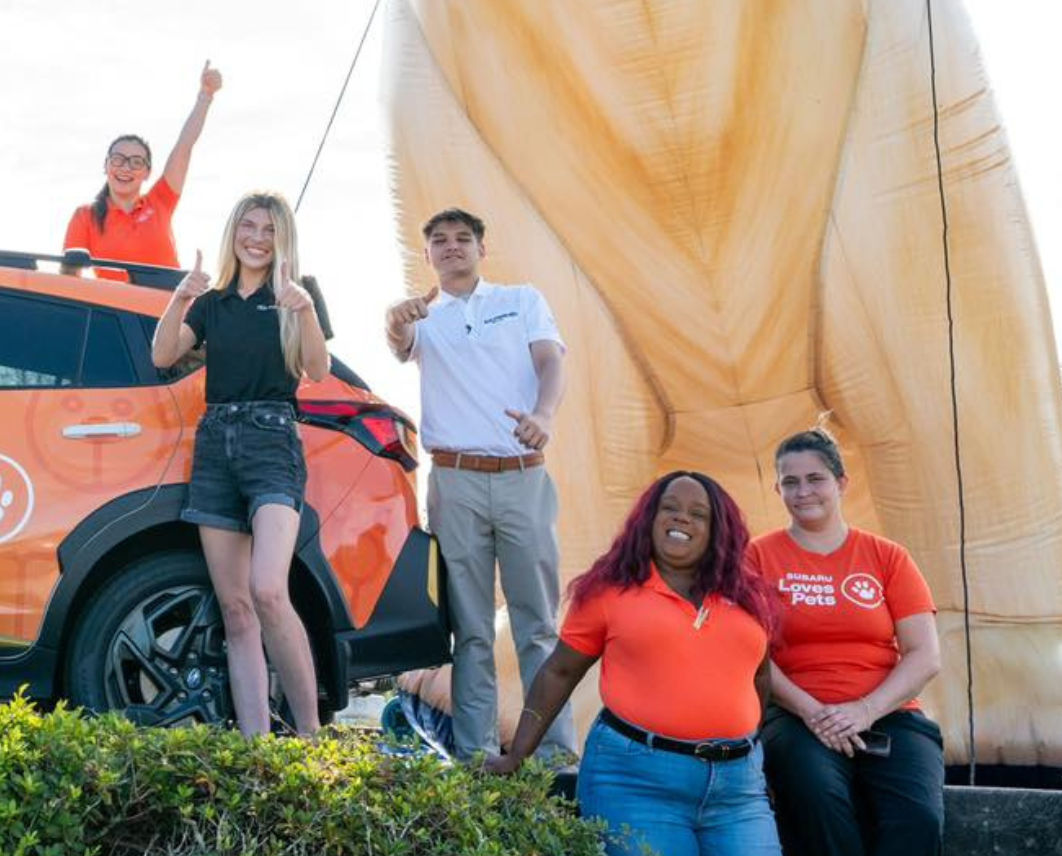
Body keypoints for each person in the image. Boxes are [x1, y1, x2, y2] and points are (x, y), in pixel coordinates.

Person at [487, 471, 782, 856]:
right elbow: (559, 672)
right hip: (635, 782)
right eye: (669, 508)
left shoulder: (748, 597)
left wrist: (750, 749)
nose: (681, 518)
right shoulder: (610, 591)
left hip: (737, 788)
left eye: (698, 514)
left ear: (718, 530)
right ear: (648, 519)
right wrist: (517, 755)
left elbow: (758, 677)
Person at [384, 207, 573, 762]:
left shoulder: (520, 301)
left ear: (481, 249)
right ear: (427, 255)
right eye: (438, 240)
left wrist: (545, 414)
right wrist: (396, 320)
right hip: (455, 480)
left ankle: (553, 756)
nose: (451, 247)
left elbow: (550, 362)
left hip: (521, 475)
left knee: (537, 623)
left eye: (463, 238)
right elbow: (398, 340)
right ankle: (475, 757)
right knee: (469, 629)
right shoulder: (422, 317)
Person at [149, 190, 332, 736]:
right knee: (235, 607)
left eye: (269, 229)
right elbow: (162, 355)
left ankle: (310, 736)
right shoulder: (213, 301)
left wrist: (303, 311)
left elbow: (317, 370)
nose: (256, 238)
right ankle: (256, 746)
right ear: (234, 232)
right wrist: (180, 296)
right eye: (248, 227)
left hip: (272, 441)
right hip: (214, 444)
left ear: (283, 239)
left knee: (269, 590)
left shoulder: (298, 295)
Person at [747, 428, 945, 856]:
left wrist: (864, 711)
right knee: (816, 798)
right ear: (777, 488)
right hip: (796, 715)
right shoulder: (757, 557)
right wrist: (815, 714)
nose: (803, 492)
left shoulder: (887, 556)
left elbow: (924, 654)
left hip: (889, 713)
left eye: (815, 479)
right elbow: (752, 654)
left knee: (920, 818)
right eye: (790, 482)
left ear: (841, 483)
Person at [63, 62, 222, 274]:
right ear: (106, 165)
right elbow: (69, 279)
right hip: (115, 308)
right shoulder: (85, 216)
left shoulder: (160, 202)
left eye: (136, 162)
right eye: (118, 159)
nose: (126, 168)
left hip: (171, 305)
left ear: (147, 172)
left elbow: (184, 147)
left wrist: (205, 96)